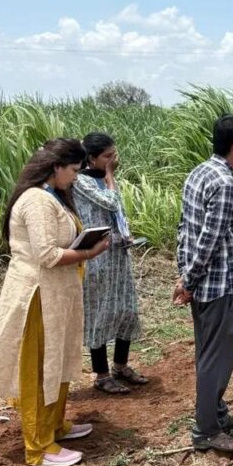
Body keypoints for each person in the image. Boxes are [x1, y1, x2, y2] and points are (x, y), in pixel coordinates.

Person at [0, 139, 110, 466]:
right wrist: (88, 252)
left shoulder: (53, 195)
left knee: (57, 360)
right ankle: (38, 446)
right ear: (56, 167)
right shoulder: (37, 200)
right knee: (39, 367)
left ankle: (54, 425)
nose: (76, 177)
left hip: (56, 294)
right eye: (73, 170)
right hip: (37, 295)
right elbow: (47, 254)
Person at [173, 115, 233, 453]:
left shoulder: (200, 172)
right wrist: (189, 279)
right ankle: (206, 429)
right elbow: (209, 238)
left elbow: (186, 229)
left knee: (210, 353)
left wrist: (185, 274)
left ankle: (216, 413)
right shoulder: (225, 183)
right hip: (220, 285)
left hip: (208, 283)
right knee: (215, 358)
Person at [73, 132, 145, 395]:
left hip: (117, 253)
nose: (114, 160)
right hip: (97, 255)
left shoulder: (102, 179)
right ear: (91, 158)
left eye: (114, 154)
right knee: (100, 313)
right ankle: (102, 374)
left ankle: (121, 365)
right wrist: (111, 176)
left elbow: (118, 211)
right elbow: (111, 202)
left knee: (126, 309)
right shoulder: (81, 181)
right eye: (108, 156)